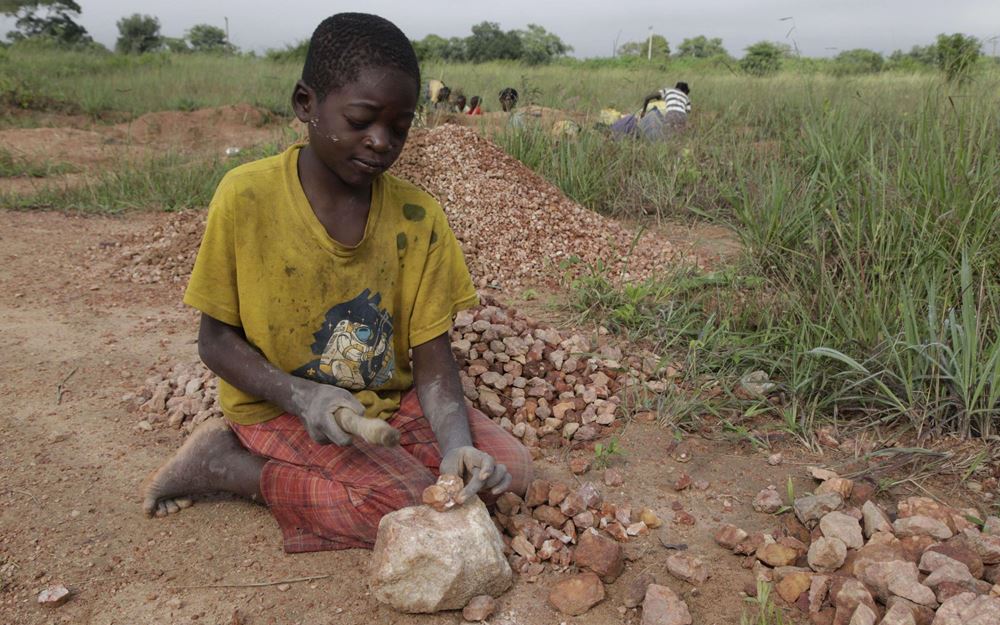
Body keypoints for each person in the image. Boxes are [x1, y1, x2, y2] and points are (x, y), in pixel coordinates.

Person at [141, 12, 532, 553]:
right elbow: (215, 342)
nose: (380, 142)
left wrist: (456, 447)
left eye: (399, 127)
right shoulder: (246, 198)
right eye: (361, 120)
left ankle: (416, 464)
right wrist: (301, 396)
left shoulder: (419, 218)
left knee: (506, 471)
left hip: (388, 403)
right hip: (277, 402)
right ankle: (228, 467)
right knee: (403, 506)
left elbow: (433, 357)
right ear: (306, 104)